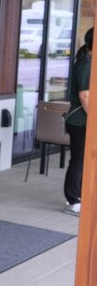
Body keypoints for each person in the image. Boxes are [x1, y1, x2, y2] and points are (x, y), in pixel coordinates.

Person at [63, 28, 93, 217]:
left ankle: (79, 196)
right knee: (79, 161)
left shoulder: (89, 61)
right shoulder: (86, 63)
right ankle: (72, 200)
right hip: (80, 121)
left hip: (83, 121)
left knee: (83, 161)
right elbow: (84, 95)